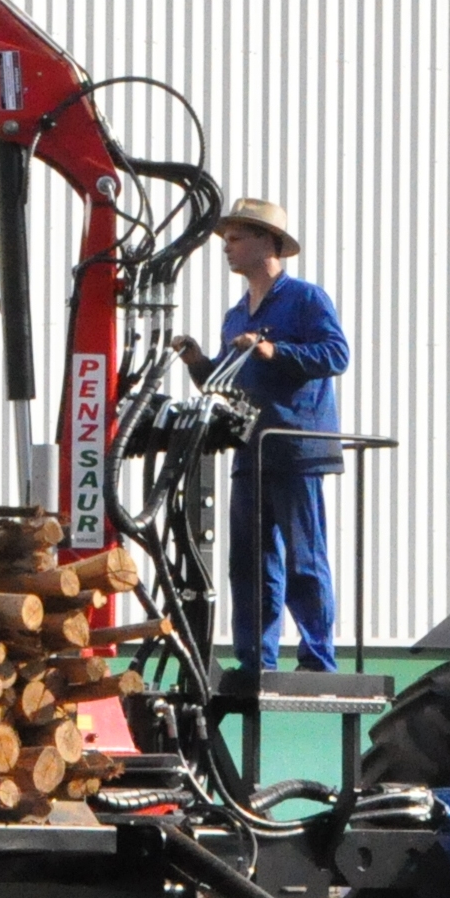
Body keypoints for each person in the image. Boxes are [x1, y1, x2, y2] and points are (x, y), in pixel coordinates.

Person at [175, 197, 348, 672]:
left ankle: (317, 657)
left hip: (295, 448)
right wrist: (197, 363)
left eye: (236, 238)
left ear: (267, 243)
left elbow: (336, 355)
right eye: (226, 239)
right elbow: (225, 382)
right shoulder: (235, 316)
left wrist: (273, 350)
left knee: (303, 560)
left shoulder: (306, 299)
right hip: (250, 450)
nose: (227, 248)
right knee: (250, 563)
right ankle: (256, 659)